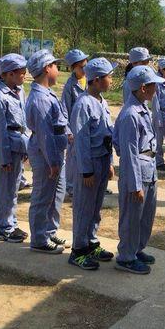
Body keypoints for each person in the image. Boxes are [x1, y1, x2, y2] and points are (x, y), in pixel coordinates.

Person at [67, 58, 117, 270]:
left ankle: (91, 242)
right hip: (89, 164)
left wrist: (111, 162)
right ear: (96, 80)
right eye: (109, 76)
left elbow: (108, 134)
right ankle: (78, 249)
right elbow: (81, 141)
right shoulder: (83, 104)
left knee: (95, 206)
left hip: (102, 160)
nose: (111, 80)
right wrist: (86, 171)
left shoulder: (102, 101)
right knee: (84, 207)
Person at [113, 65, 162, 275]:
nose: (156, 90)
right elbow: (129, 152)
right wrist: (134, 185)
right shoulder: (130, 114)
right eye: (153, 86)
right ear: (143, 88)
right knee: (132, 217)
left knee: (145, 215)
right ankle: (126, 256)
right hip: (137, 173)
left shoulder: (142, 108)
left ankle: (136, 249)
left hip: (148, 169)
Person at [26, 49, 69, 254]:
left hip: (53, 152)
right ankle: (39, 239)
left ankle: (49, 231)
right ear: (46, 68)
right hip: (46, 153)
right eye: (55, 65)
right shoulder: (41, 98)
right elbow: (45, 134)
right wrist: (53, 162)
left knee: (54, 196)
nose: (58, 69)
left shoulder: (47, 93)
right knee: (43, 196)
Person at [0, 53, 30, 244]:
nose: (24, 75)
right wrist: (3, 158)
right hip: (8, 147)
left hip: (19, 144)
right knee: (5, 188)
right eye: (21, 72)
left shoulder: (19, 92)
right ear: (9, 74)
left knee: (13, 188)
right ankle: (3, 227)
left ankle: (10, 222)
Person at [61, 49, 88, 202]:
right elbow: (64, 109)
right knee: (72, 158)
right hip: (75, 129)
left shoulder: (90, 80)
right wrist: (68, 130)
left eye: (86, 65)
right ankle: (70, 186)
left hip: (89, 128)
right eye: (81, 67)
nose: (85, 69)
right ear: (73, 68)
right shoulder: (70, 86)